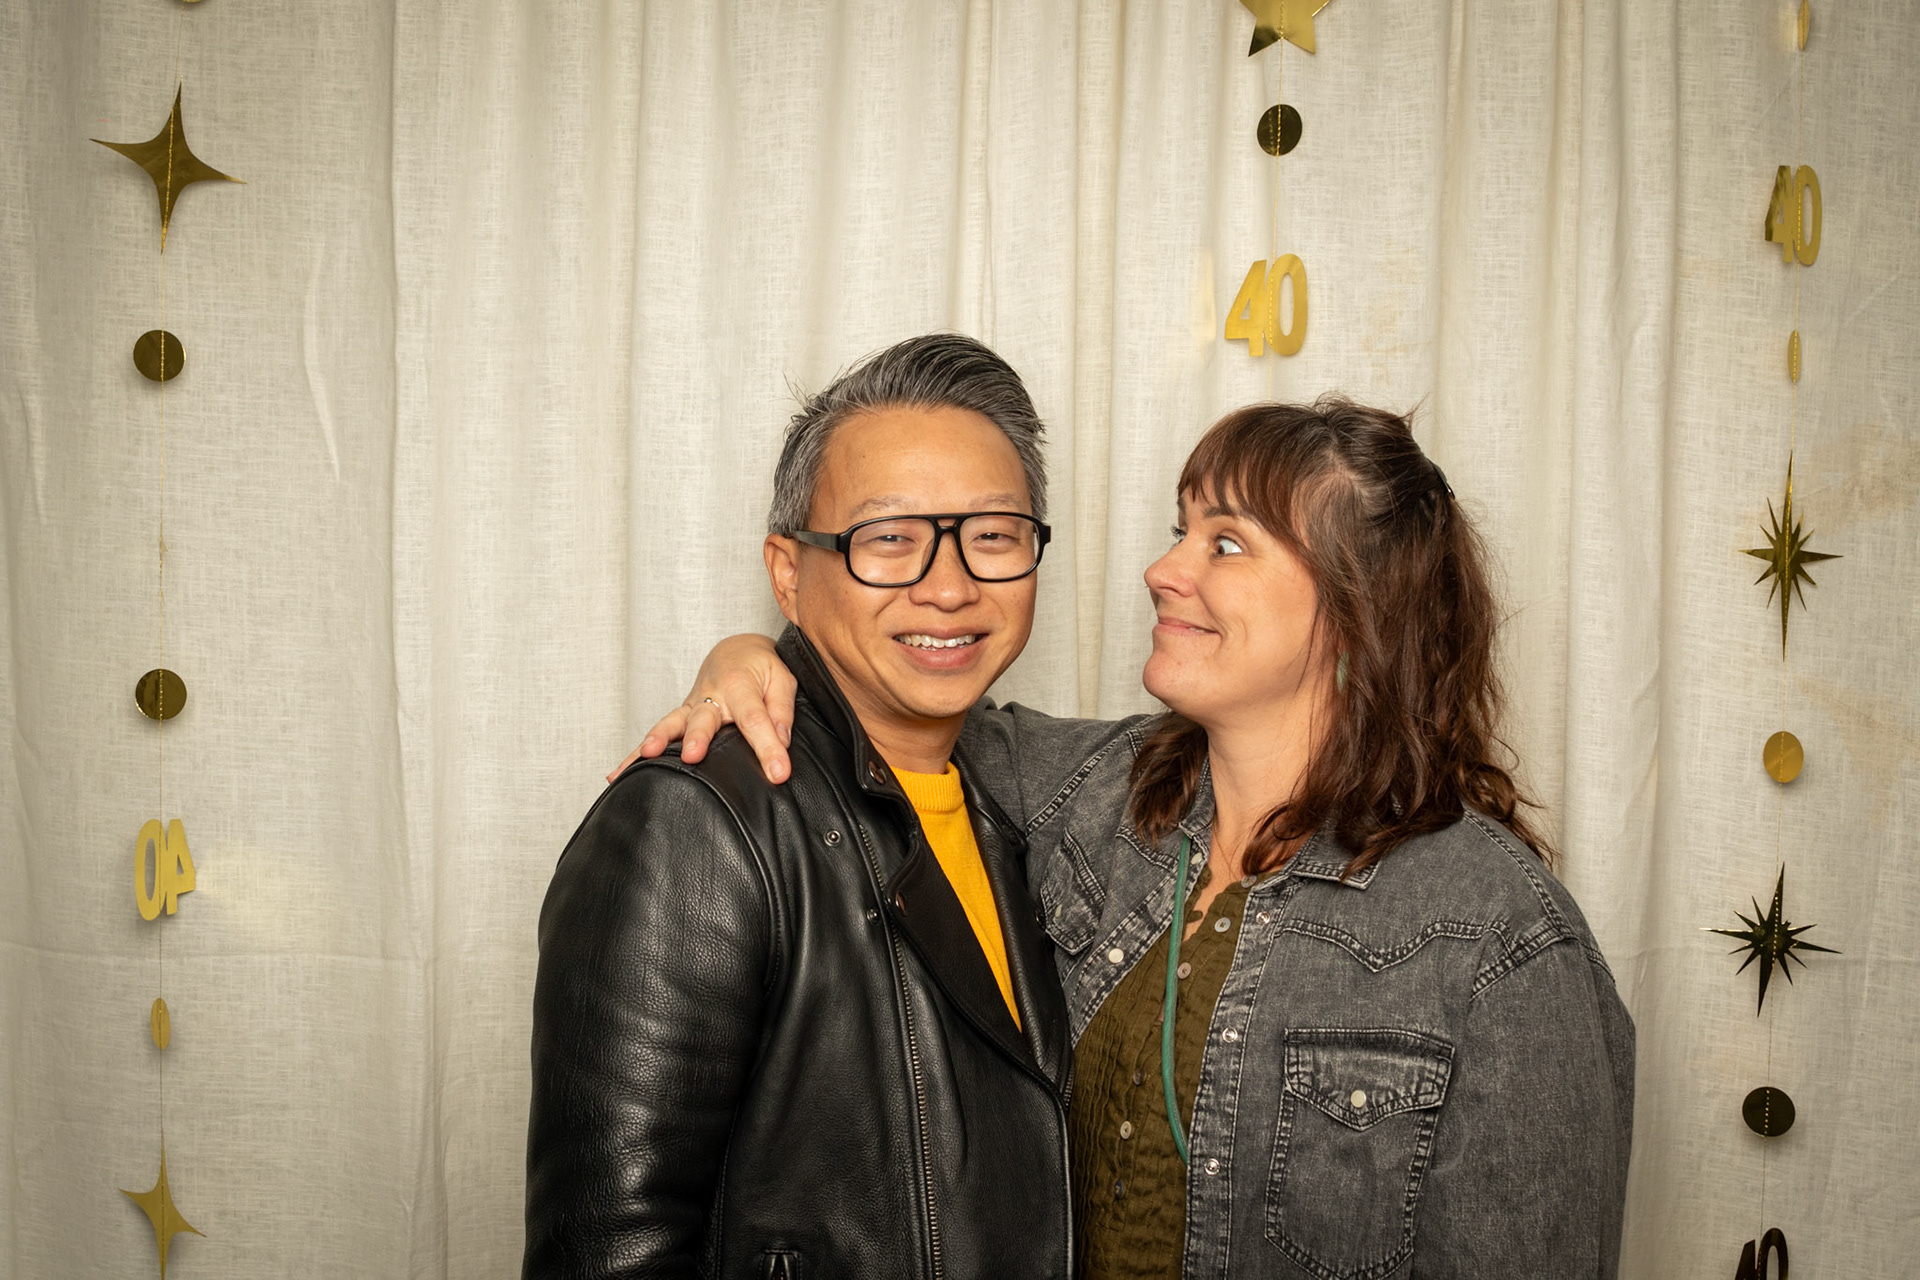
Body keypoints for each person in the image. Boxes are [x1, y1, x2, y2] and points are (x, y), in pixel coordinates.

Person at [630, 396, 1636, 1277]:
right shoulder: (1085, 791)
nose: (1161, 571)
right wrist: (752, 651)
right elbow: (886, 707)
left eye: (1225, 544)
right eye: (1179, 532)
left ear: (1359, 603)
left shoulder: (1504, 945)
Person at [524, 334, 1078, 1279]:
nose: (950, 588)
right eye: (889, 540)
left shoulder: (1044, 800)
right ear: (788, 573)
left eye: (993, 536)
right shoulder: (694, 824)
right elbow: (608, 1249)